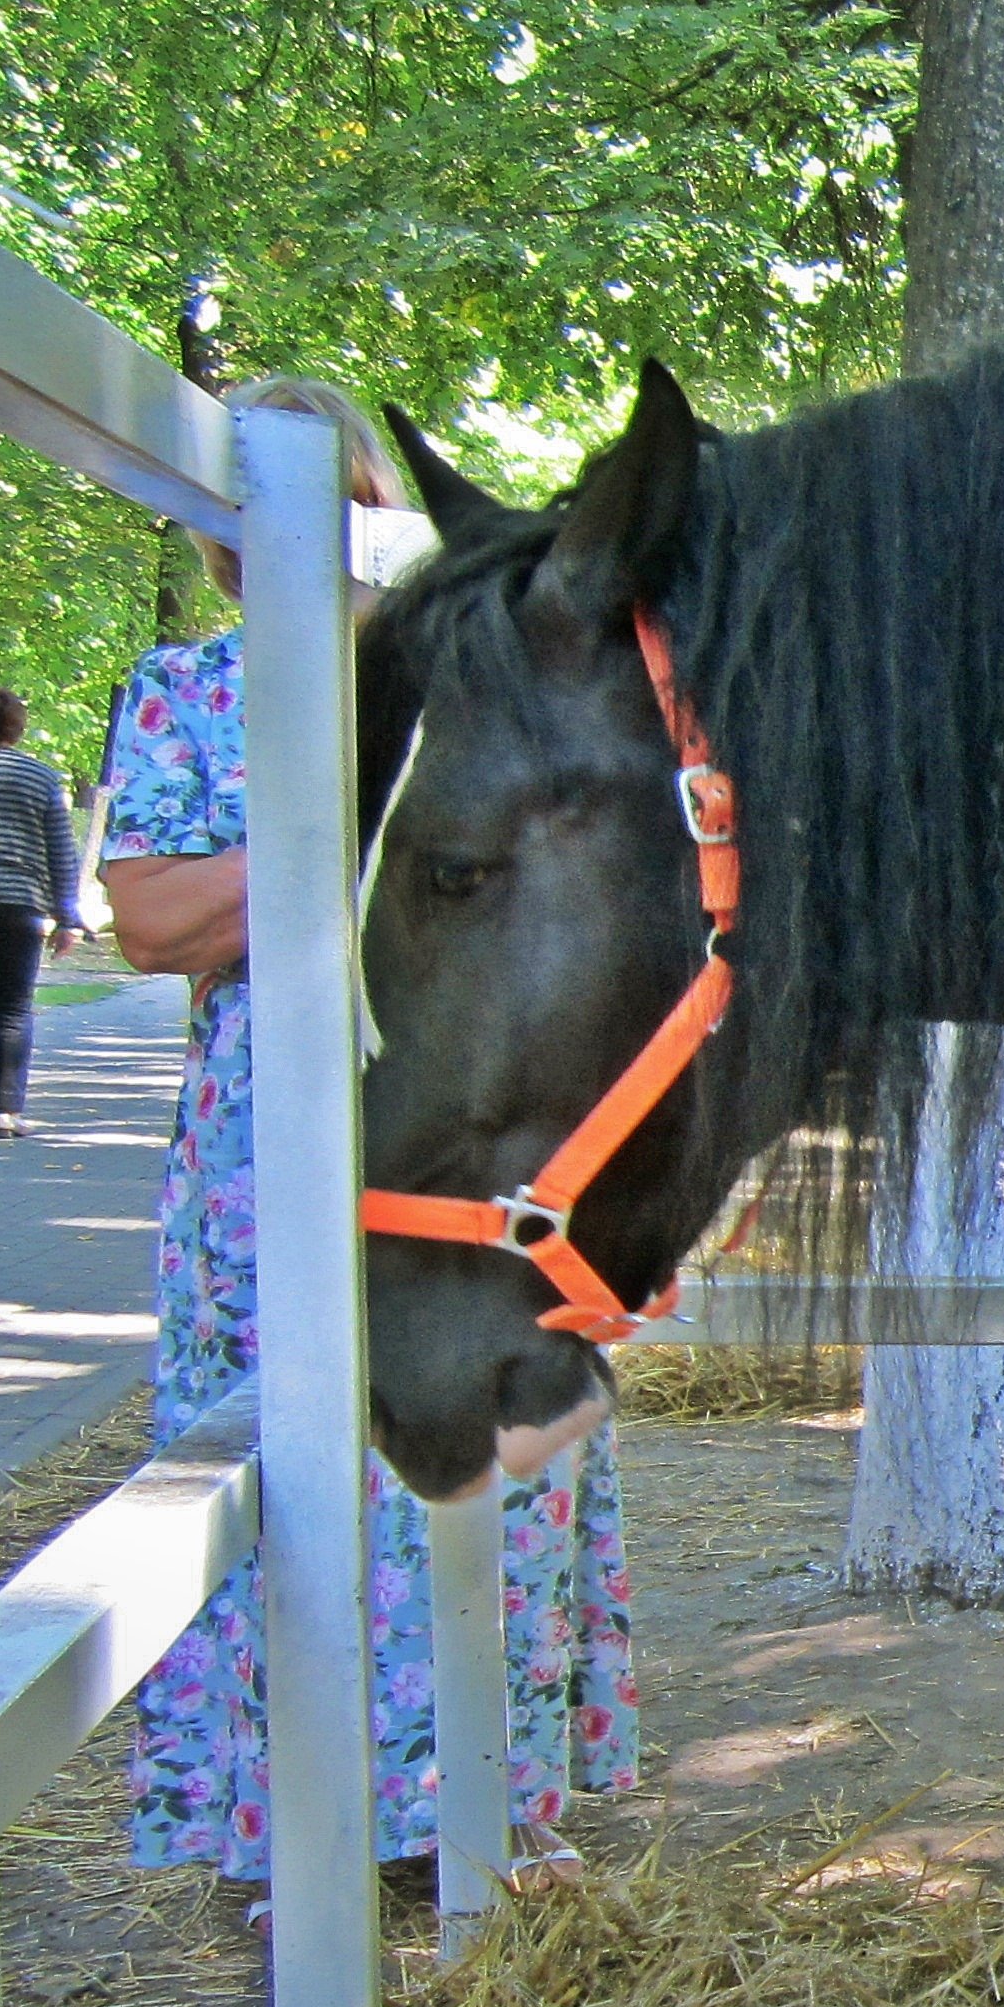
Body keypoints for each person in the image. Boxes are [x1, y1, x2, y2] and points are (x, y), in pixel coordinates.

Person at [97, 374, 640, 1914]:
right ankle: (307, 1826)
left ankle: (493, 1803)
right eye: (246, 500)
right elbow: (149, 916)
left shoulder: (476, 675)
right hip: (270, 1135)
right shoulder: (191, 692)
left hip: (483, 1112)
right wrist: (361, 832)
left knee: (501, 1435)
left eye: (333, 484)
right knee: (285, 1449)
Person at [0, 686, 80, 1137]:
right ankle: (7, 1114)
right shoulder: (40, 777)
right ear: (17, 727)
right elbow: (61, 850)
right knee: (12, 1007)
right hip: (21, 902)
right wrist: (68, 916)